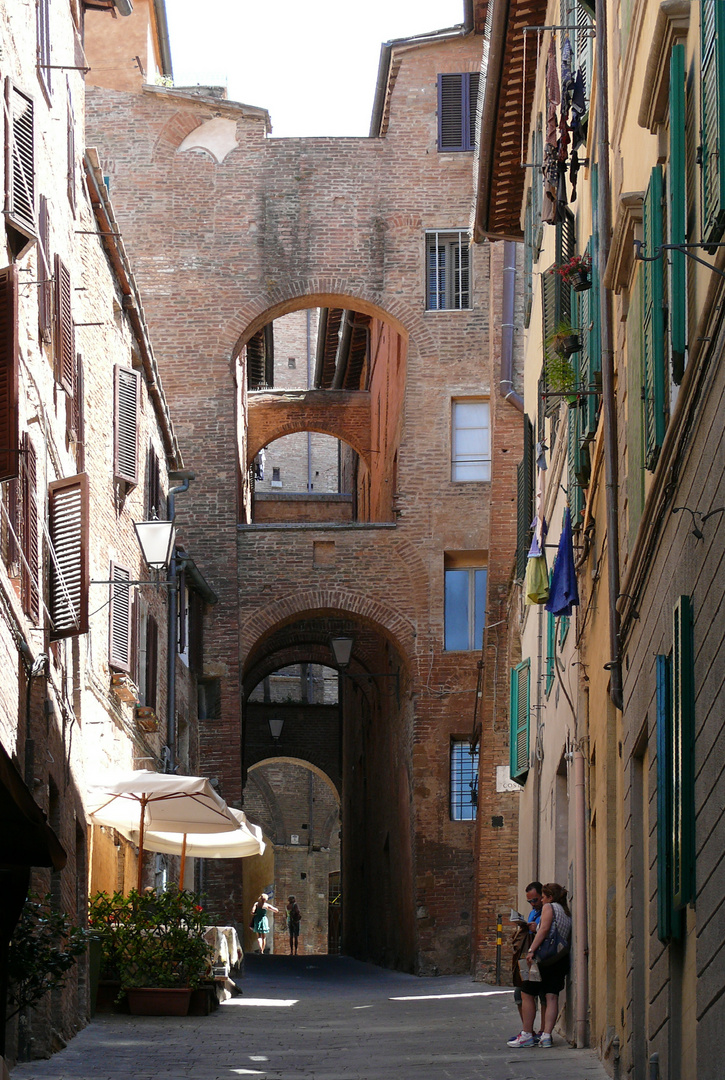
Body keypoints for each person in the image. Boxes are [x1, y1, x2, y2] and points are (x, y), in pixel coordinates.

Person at [508, 882, 572, 1049]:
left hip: (544, 959)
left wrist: (531, 950)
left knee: (526, 992)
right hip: (560, 960)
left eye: (542, 897)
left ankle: (527, 1034)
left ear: (550, 897)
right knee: (552, 997)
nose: (542, 901)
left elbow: (544, 930)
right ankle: (546, 1036)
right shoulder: (566, 912)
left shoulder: (549, 907)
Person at [510, 882, 545, 1042]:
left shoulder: (547, 911)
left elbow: (547, 930)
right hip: (528, 957)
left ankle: (542, 1032)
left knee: (543, 995)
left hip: (541, 958)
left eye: (535, 900)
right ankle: (528, 1030)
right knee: (520, 993)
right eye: (529, 901)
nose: (532, 904)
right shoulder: (533, 912)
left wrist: (535, 928)